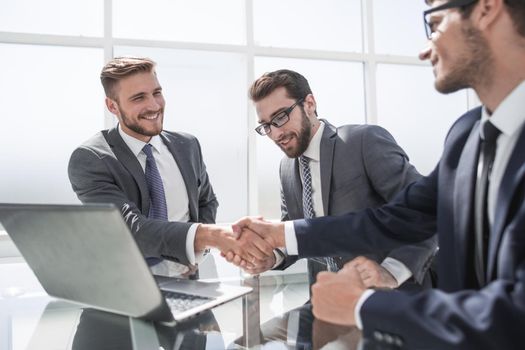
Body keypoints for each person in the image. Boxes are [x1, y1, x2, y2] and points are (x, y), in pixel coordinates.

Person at [233, 0, 525, 347]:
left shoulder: (361, 140)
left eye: (434, 23)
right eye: (266, 125)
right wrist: (277, 236)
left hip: (408, 310)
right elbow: (394, 219)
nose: (424, 50)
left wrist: (366, 304)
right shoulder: (465, 135)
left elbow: (514, 315)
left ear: (487, 9)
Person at [68, 56, 271, 278]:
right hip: (129, 286)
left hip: (193, 277)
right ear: (112, 106)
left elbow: (206, 201)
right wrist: (211, 236)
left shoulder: (187, 145)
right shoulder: (92, 159)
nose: (154, 105)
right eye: (138, 98)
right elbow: (129, 228)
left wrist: (196, 252)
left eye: (157, 93)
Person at [237, 69, 437, 291]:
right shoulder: (286, 167)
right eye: (266, 125)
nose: (275, 134)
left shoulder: (362, 142)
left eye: (281, 117)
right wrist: (271, 257)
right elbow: (293, 230)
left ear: (309, 104)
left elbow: (425, 212)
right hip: (328, 299)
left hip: (394, 300)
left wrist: (390, 273)